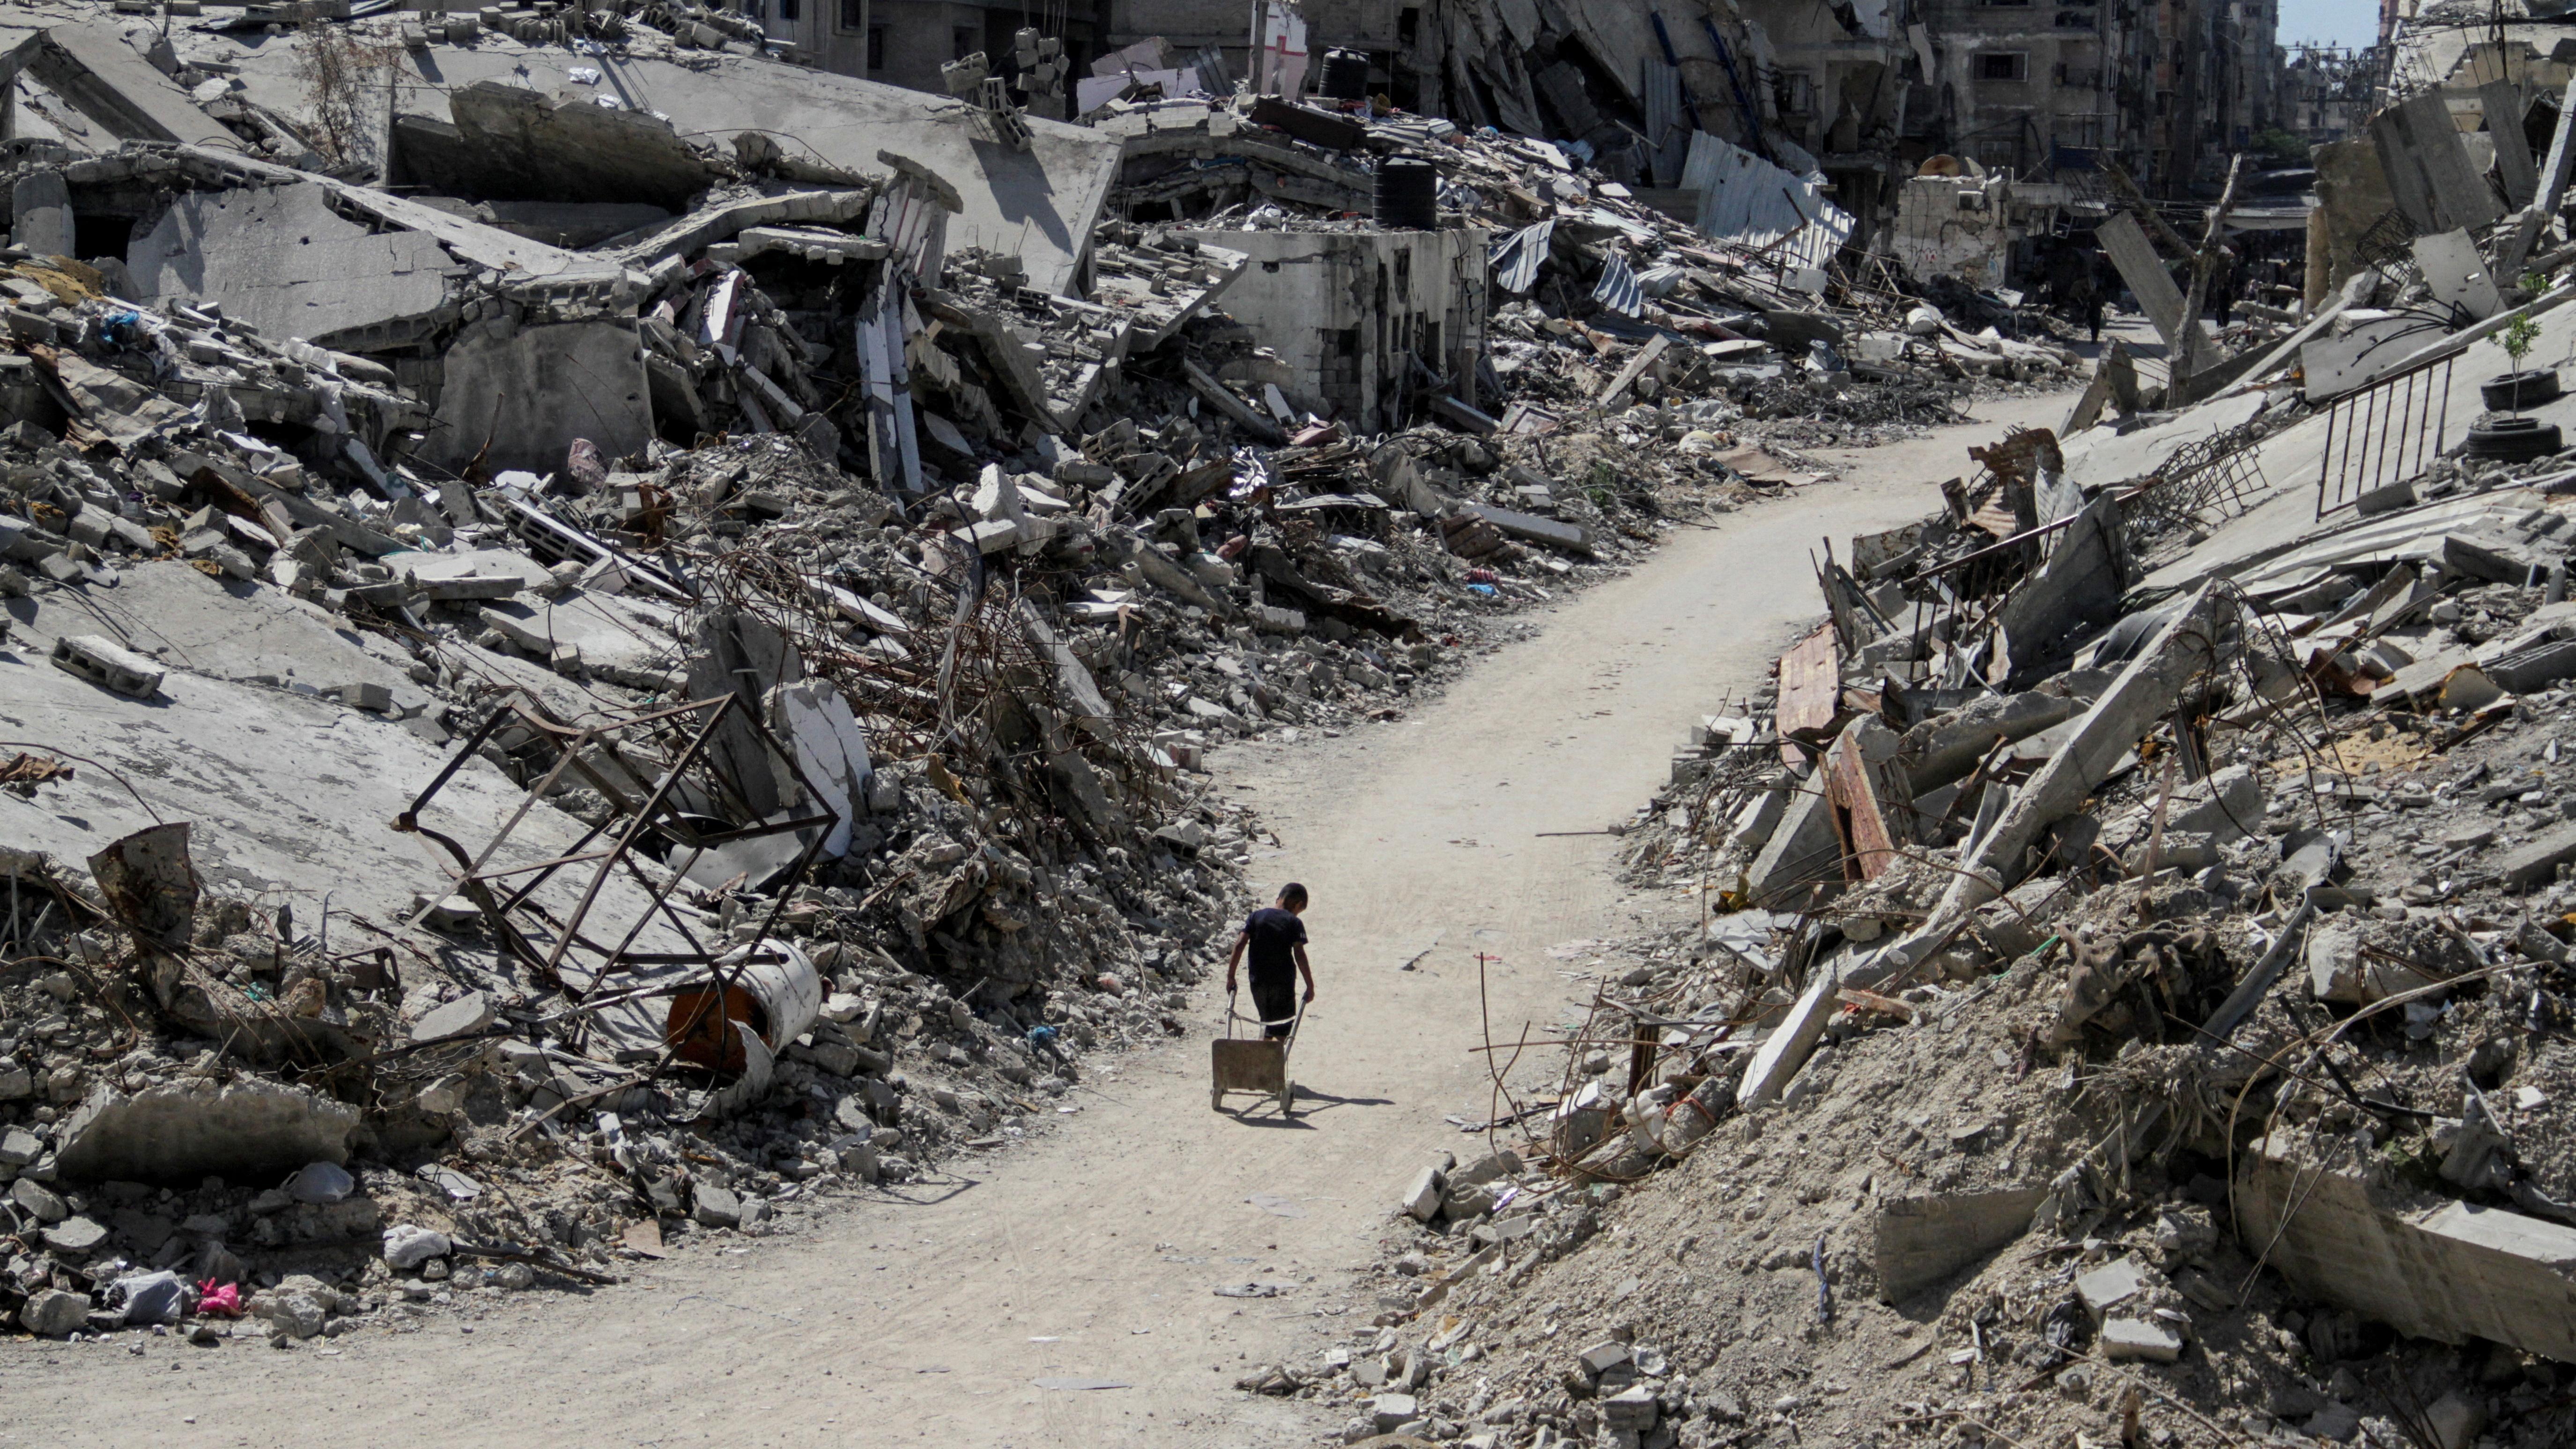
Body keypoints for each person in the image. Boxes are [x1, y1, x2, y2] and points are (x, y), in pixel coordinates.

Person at [1226, 883, 1315, 1039]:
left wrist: (1231, 977)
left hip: (1258, 982)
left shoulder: (1256, 916)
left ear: (1278, 898)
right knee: (1282, 1028)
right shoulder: (1294, 923)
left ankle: (1264, 1054)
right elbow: (1299, 954)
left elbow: (1240, 944)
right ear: (1298, 905)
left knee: (1266, 1022)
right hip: (1282, 984)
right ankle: (1273, 1061)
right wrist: (1310, 985)